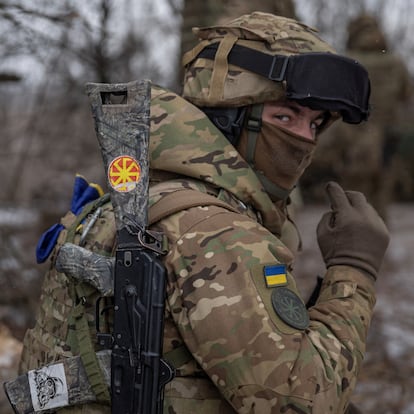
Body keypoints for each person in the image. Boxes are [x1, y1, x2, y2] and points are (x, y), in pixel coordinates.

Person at [16, 12, 389, 414]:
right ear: (229, 116)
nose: (304, 138)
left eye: (315, 124)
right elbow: (303, 403)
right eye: (285, 116)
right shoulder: (215, 232)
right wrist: (354, 268)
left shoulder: (133, 200)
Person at [307, 13, 412, 221]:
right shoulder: (396, 62)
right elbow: (406, 95)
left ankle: (354, 239)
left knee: (353, 194)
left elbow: (333, 95)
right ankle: (378, 240)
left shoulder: (348, 59)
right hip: (387, 134)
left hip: (354, 133)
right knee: (382, 190)